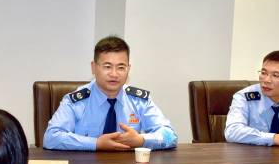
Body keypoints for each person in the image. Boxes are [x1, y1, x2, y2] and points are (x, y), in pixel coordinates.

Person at [43, 36, 178, 151]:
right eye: (107, 67)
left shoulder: (139, 101)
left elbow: (170, 136)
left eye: (121, 67)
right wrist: (96, 143)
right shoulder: (76, 101)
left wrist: (141, 140)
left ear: (128, 69)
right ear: (93, 67)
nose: (114, 74)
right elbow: (51, 138)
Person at [225, 50, 279, 147]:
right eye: (263, 73)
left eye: (275, 75)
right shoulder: (244, 97)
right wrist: (275, 138)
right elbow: (232, 131)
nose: (266, 80)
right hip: (252, 155)